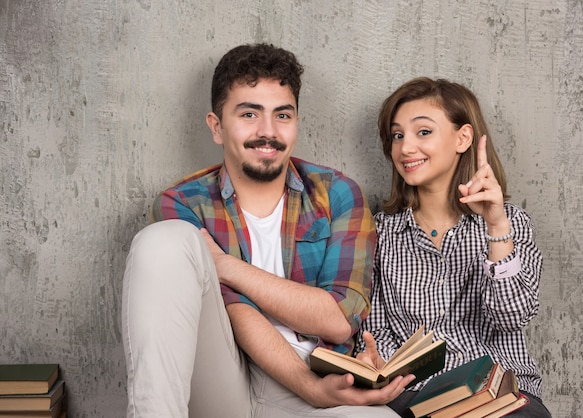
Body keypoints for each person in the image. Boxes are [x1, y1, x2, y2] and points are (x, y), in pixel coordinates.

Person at [121, 43, 415, 418]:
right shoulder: (183, 203)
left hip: (320, 385)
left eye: (282, 115)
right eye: (249, 114)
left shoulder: (337, 194)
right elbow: (236, 311)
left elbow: (339, 320)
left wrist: (225, 266)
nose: (268, 132)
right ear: (217, 126)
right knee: (161, 241)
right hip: (223, 379)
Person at [355, 77, 552, 417]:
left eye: (424, 132)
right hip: (414, 395)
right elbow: (376, 328)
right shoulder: (381, 232)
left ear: (463, 138)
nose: (405, 148)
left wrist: (496, 227)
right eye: (397, 135)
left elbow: (512, 317)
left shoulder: (511, 223)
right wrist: (377, 363)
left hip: (498, 393)